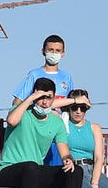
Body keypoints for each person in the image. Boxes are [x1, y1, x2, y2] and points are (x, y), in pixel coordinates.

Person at [0, 77, 85, 188]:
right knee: (31, 167)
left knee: (75, 171)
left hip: (34, 173)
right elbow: (12, 121)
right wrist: (31, 98)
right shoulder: (21, 111)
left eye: (48, 98)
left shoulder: (56, 122)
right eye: (41, 97)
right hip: (9, 170)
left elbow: (64, 150)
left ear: (54, 99)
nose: (44, 102)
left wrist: (68, 160)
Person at [12, 34, 74, 167]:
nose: (54, 53)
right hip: (37, 131)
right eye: (51, 50)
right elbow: (17, 103)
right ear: (43, 51)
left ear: (63, 53)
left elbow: (70, 105)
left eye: (57, 51)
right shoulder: (34, 75)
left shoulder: (67, 77)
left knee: (59, 169)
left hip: (57, 132)